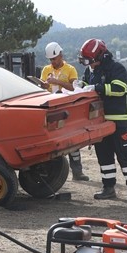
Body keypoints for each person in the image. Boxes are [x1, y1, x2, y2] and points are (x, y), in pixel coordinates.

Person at [79, 38, 127, 201]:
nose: (89, 65)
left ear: (100, 56)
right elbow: (85, 84)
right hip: (99, 121)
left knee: (124, 155)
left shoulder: (116, 68)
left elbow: (120, 89)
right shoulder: (90, 71)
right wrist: (79, 86)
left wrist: (98, 88)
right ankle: (108, 188)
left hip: (117, 120)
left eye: (90, 61)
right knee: (103, 155)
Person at [41, 41, 88, 181]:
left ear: (61, 55)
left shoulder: (70, 69)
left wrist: (58, 82)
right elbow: (45, 88)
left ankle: (77, 172)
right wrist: (44, 84)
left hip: (67, 108)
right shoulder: (46, 70)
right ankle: (52, 174)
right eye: (50, 59)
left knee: (72, 141)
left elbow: (75, 88)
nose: (53, 62)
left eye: (54, 58)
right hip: (52, 109)